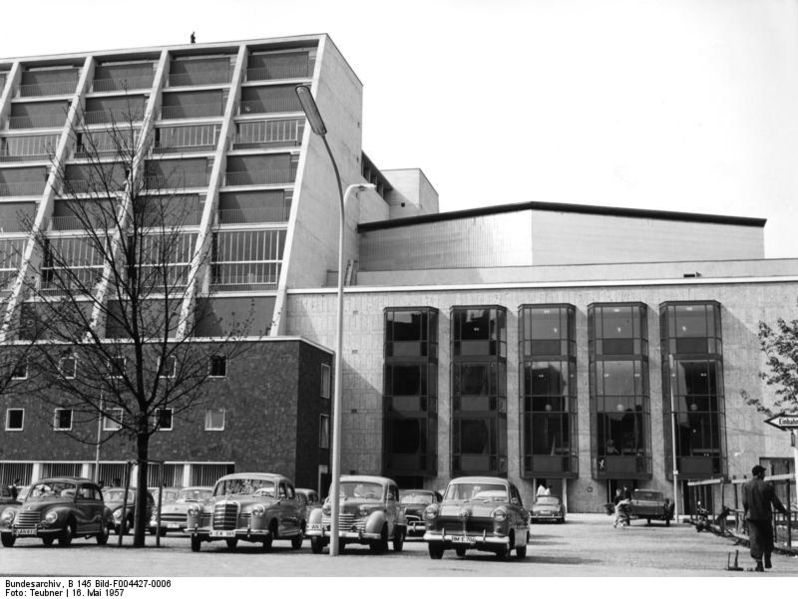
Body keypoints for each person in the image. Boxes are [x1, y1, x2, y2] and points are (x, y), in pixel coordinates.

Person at [742, 465, 787, 572]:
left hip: (752, 517)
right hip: (765, 517)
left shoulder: (746, 486)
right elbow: (776, 502)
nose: (764, 475)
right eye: (763, 473)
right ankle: (767, 558)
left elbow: (744, 502)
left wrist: (746, 512)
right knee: (768, 537)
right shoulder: (767, 486)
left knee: (755, 539)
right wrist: (784, 512)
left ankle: (759, 563)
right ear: (759, 474)